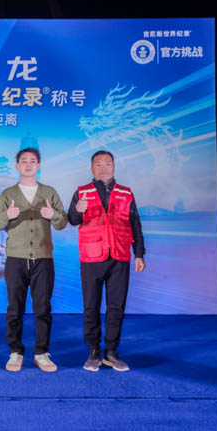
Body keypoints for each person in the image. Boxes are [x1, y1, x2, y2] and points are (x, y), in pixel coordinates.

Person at [68, 150, 145, 372]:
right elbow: (72, 220)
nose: (104, 168)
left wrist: (139, 254)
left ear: (114, 167)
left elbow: (135, 224)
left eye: (108, 164)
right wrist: (77, 210)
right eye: (99, 164)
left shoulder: (126, 193)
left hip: (119, 255)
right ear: (92, 168)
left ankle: (111, 351)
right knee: (91, 306)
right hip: (91, 257)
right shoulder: (82, 192)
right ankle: (93, 350)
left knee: (116, 306)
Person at [0, 148, 67, 373]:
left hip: (43, 258)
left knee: (43, 307)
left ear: (39, 165)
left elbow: (62, 222)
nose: (28, 164)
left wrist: (53, 215)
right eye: (23, 161)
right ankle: (16, 351)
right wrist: (7, 216)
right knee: (15, 308)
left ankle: (41, 352)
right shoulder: (8, 194)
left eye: (32, 161)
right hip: (15, 258)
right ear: (17, 166)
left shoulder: (49, 192)